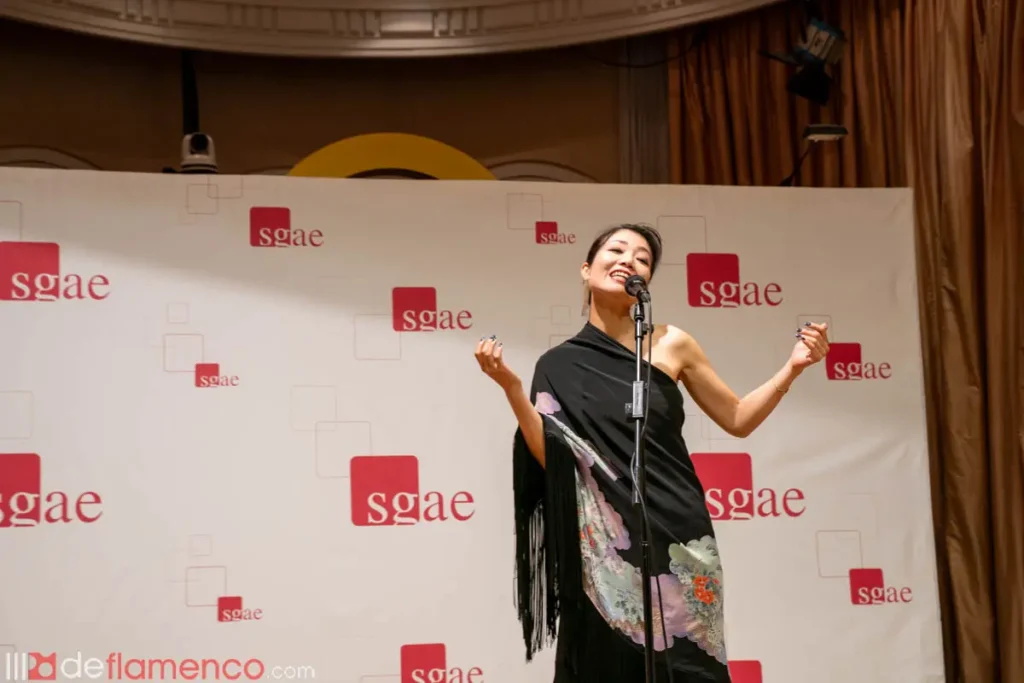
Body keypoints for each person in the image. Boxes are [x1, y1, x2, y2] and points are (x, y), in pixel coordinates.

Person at [474, 223, 831, 682]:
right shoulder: (557, 365)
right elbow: (553, 458)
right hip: (604, 546)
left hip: (678, 532)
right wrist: (512, 389)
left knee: (690, 667)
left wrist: (793, 369)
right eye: (616, 250)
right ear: (586, 269)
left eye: (642, 258)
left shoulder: (672, 343)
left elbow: (738, 418)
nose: (628, 261)